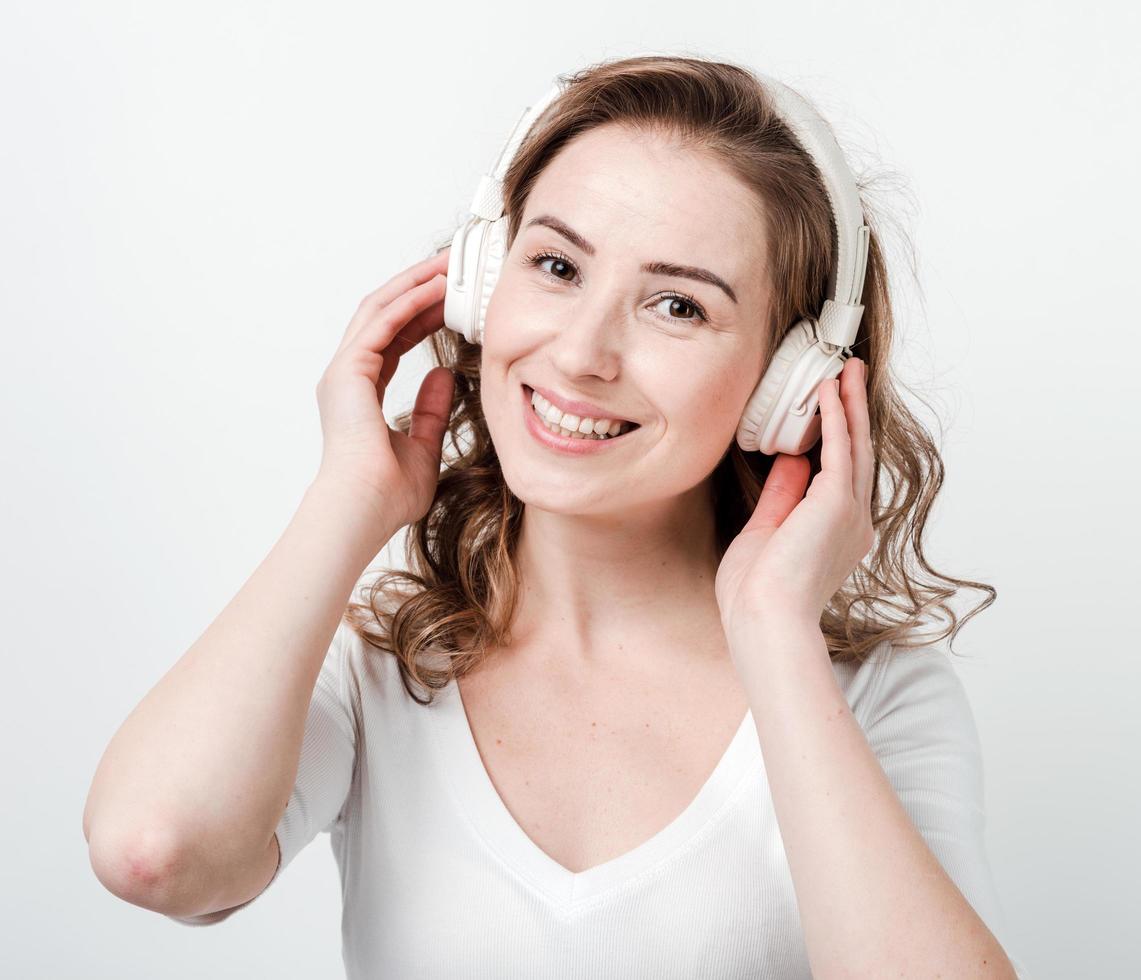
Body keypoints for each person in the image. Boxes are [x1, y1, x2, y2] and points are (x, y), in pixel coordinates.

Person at [83, 55, 1023, 979]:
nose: (579, 354)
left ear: (788, 386)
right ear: (481, 281)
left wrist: (775, 637)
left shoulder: (872, 698)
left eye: (675, 305)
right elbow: (152, 853)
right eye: (556, 265)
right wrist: (346, 500)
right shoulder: (377, 666)